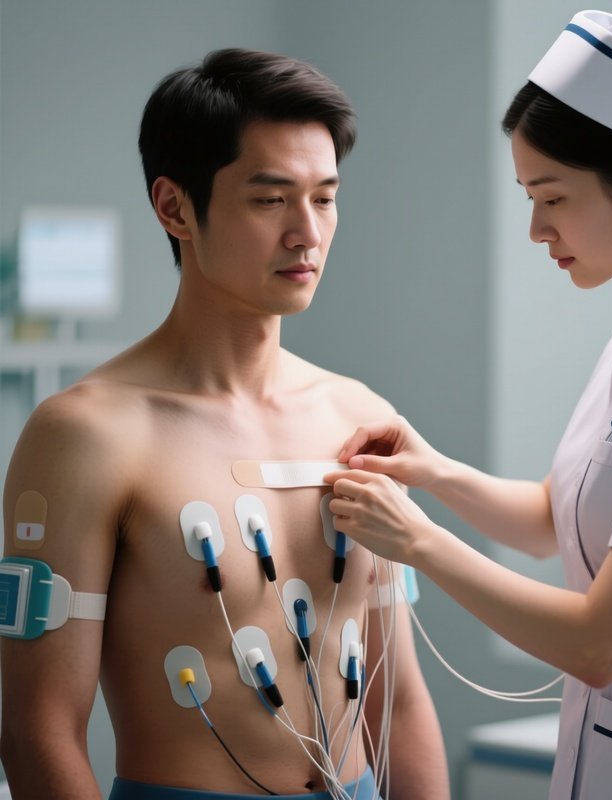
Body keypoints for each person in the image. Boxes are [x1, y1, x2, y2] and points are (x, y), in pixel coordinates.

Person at [325, 10, 612, 799]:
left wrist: (419, 542)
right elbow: (556, 519)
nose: (538, 229)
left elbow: (602, 643)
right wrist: (433, 469)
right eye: (527, 196)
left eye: (553, 197)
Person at [0, 49, 449, 800]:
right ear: (175, 207)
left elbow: (396, 702)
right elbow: (34, 730)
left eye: (326, 198)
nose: (307, 233)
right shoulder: (88, 435)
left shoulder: (362, 418)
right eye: (271, 200)